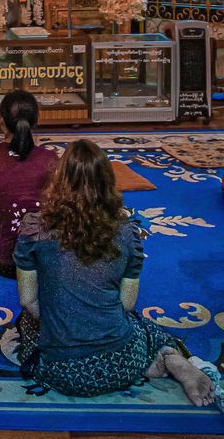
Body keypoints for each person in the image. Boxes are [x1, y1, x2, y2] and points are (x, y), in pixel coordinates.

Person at [13, 139, 216, 406]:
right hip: (122, 363)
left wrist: (61, 320)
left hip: (60, 371)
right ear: (108, 181)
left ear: (58, 181)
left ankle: (158, 358)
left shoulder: (34, 230)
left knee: (24, 322)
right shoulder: (128, 232)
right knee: (142, 324)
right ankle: (170, 357)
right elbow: (126, 304)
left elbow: (28, 301)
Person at [0, 91, 56, 277]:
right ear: (35, 121)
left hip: (4, 263)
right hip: (41, 261)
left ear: (1, 121)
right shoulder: (51, 159)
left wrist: (2, 227)